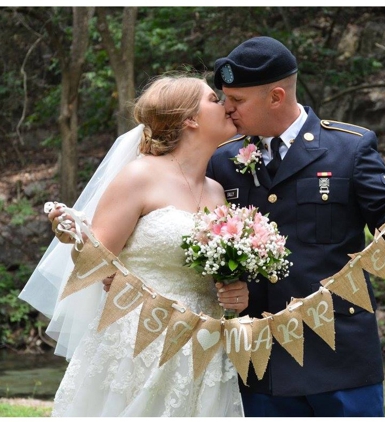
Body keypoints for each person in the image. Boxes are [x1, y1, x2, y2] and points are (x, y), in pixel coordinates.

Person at [206, 36, 385, 417]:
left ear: (276, 97)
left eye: (237, 100)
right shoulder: (222, 160)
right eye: (224, 98)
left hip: (339, 358)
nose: (226, 109)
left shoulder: (349, 148)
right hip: (258, 364)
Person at [18, 73, 250, 417]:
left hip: (205, 346)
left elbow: (215, 274)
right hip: (137, 342)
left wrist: (236, 293)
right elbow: (94, 262)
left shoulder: (218, 191)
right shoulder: (138, 176)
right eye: (213, 100)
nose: (225, 106)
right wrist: (75, 236)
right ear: (190, 119)